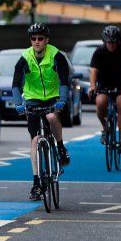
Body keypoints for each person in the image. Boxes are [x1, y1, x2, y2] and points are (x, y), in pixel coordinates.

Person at [12, 23, 72, 201]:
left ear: (47, 40)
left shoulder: (56, 56)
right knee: (35, 140)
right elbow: (16, 84)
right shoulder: (25, 58)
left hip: (54, 99)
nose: (36, 42)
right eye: (33, 39)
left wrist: (62, 100)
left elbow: (64, 81)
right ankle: (37, 183)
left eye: (40, 38)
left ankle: (60, 148)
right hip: (32, 100)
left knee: (52, 117)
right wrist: (18, 104)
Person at [89, 25, 121, 154]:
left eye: (113, 42)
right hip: (104, 83)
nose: (111, 45)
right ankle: (106, 128)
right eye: (109, 42)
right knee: (100, 102)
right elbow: (93, 72)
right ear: (105, 42)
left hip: (120, 84)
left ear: (117, 41)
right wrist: (93, 87)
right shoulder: (99, 52)